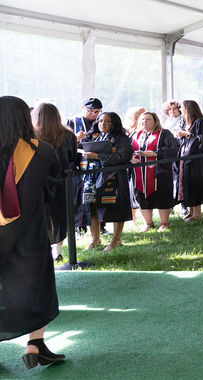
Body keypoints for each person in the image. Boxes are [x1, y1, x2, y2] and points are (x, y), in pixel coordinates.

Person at [0, 96, 66, 369]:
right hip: (31, 237)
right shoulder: (44, 151)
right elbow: (53, 193)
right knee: (38, 288)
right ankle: (34, 343)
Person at [81, 111, 133, 250]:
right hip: (92, 178)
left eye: (108, 121)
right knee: (92, 206)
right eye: (101, 121)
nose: (103, 124)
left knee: (116, 208)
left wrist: (99, 156)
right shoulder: (92, 136)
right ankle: (95, 239)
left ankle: (115, 240)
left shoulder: (121, 138)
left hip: (114, 177)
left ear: (114, 123)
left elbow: (123, 156)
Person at [31, 103, 76, 261]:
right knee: (59, 216)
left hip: (37, 182)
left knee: (42, 215)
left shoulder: (31, 135)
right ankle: (57, 250)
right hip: (62, 181)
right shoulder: (68, 135)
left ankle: (45, 248)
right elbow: (72, 157)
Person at [129, 111, 177, 230]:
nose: (145, 121)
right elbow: (127, 150)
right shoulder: (135, 135)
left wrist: (155, 153)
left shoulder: (164, 134)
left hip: (159, 172)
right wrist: (130, 158)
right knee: (141, 196)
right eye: (143, 119)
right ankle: (148, 223)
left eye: (149, 119)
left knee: (161, 195)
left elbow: (173, 149)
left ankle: (164, 223)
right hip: (139, 172)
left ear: (155, 121)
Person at [66, 97, 102, 234]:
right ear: (83, 108)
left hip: (96, 164)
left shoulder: (101, 121)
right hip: (78, 164)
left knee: (95, 196)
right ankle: (79, 226)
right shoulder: (73, 121)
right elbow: (64, 143)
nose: (93, 114)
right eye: (90, 111)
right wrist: (75, 138)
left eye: (96, 111)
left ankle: (100, 226)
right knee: (80, 196)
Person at [175, 100, 203, 221]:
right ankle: (191, 211)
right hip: (185, 158)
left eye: (184, 108)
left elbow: (202, 139)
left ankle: (198, 213)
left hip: (196, 160)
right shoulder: (186, 123)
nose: (182, 111)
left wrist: (186, 134)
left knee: (196, 184)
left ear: (189, 109)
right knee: (188, 184)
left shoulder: (200, 122)